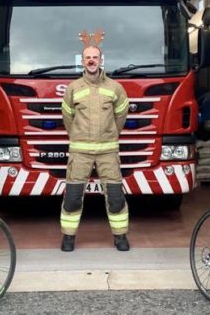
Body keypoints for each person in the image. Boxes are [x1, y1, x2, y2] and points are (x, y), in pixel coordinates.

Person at [60, 29, 130, 252]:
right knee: (72, 197)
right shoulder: (73, 89)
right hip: (80, 152)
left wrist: (109, 134)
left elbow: (121, 116)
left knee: (116, 197)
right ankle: (68, 238)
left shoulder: (115, 88)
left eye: (95, 57)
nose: (91, 61)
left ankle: (120, 237)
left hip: (108, 151)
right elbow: (67, 118)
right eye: (87, 57)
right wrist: (79, 137)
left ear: (101, 60)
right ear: (82, 62)